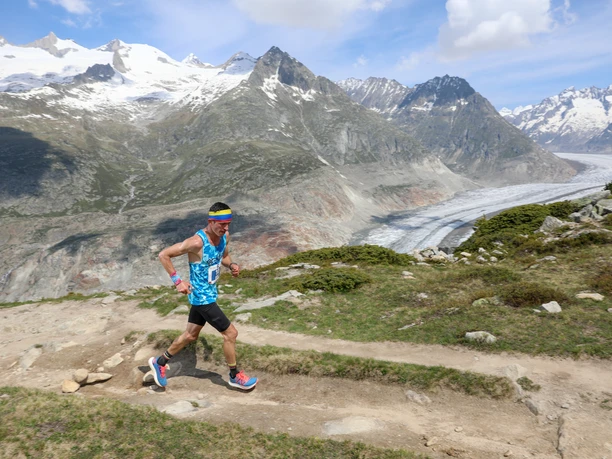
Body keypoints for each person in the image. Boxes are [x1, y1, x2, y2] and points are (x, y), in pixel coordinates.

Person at [148, 202, 258, 390]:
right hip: (202, 298)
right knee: (231, 333)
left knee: (190, 335)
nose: (226, 228)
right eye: (222, 224)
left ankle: (159, 362)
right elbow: (163, 255)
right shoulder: (196, 242)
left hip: (209, 295)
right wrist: (178, 281)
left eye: (228, 224)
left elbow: (223, 257)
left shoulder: (224, 237)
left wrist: (231, 265)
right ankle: (234, 375)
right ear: (211, 221)